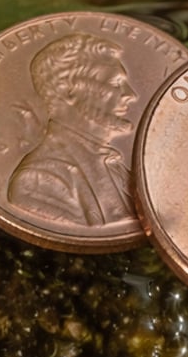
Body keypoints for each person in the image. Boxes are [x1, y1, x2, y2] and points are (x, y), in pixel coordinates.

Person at [8, 33, 137, 225]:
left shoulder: (114, 163)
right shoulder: (39, 180)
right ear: (68, 90)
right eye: (115, 83)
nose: (131, 95)